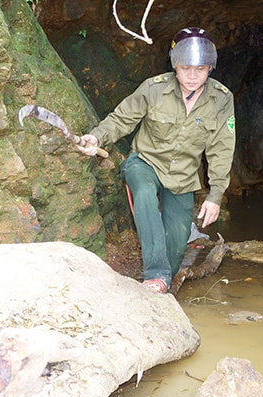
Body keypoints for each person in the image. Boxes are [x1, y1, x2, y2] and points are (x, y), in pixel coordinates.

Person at [77, 27, 236, 294]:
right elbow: (121, 119)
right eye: (186, 68)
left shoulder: (221, 99)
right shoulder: (154, 89)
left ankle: (164, 279)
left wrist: (216, 194)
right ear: (175, 66)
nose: (193, 75)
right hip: (145, 164)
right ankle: (155, 275)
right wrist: (96, 138)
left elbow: (222, 146)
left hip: (183, 177)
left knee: (175, 245)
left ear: (210, 68)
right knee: (145, 194)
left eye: (200, 68)